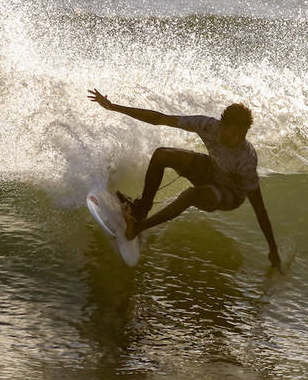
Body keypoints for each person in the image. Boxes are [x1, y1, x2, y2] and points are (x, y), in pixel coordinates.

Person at [88, 89, 281, 270]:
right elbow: (160, 118)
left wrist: (273, 248)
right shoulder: (207, 126)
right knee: (162, 154)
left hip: (230, 194)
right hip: (212, 170)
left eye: (242, 134)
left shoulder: (246, 158)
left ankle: (138, 227)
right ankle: (142, 209)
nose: (237, 139)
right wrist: (113, 106)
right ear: (222, 126)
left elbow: (259, 207)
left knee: (192, 195)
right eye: (233, 132)